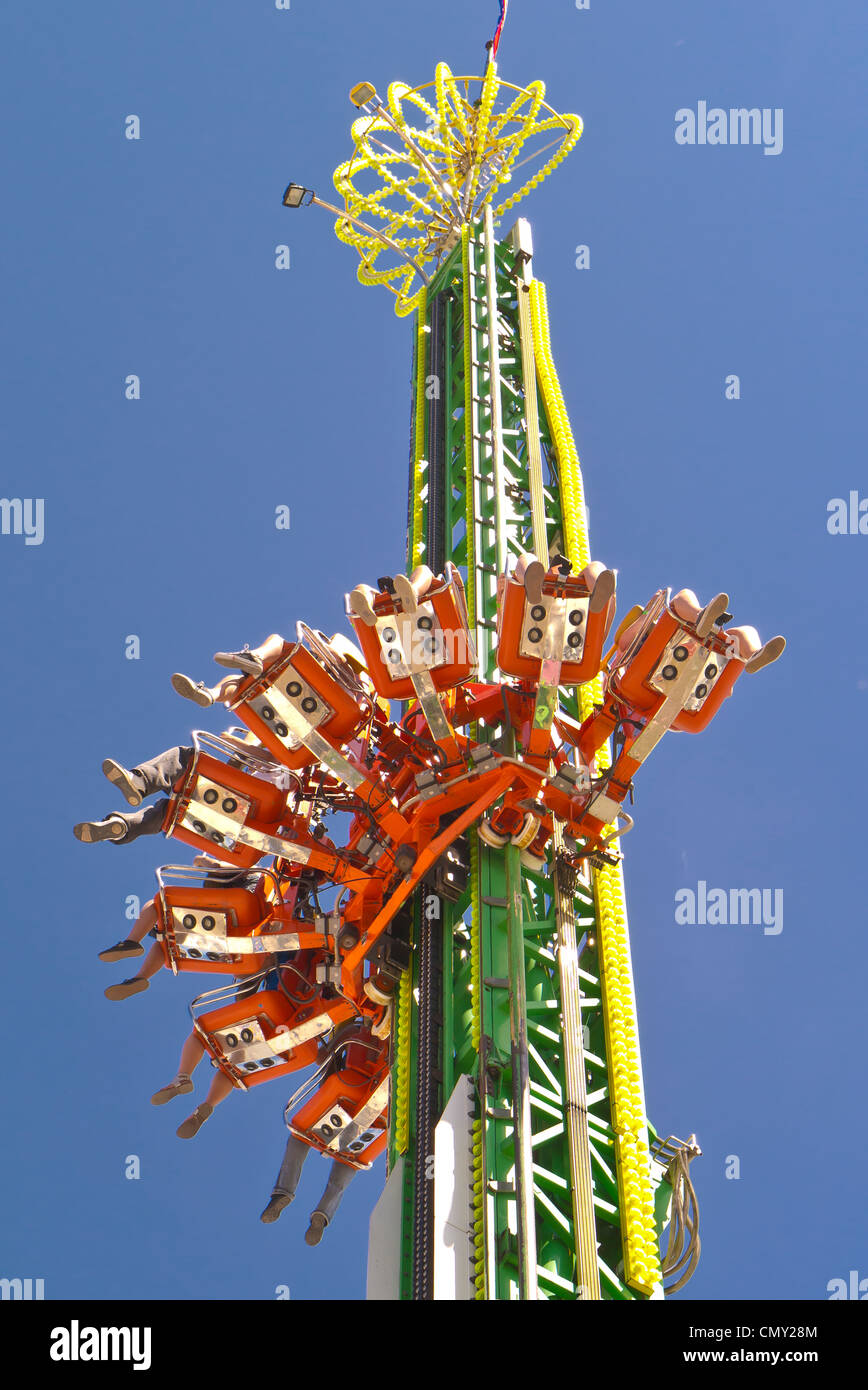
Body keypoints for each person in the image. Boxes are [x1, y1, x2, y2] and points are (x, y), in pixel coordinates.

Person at [260, 1133, 357, 1247]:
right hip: (359, 1128)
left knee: (300, 1137)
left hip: (327, 1120)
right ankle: (322, 1214)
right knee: (347, 1165)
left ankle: (283, 1192)